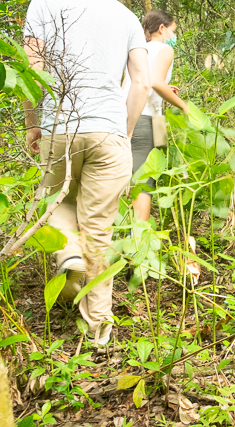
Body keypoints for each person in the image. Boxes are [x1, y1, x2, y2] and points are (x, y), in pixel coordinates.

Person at [23, 0, 150, 344]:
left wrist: (33, 123)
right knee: (99, 228)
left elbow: (31, 69)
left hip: (58, 127)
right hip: (108, 131)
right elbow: (141, 83)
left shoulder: (43, 5)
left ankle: (69, 255)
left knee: (55, 203)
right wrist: (124, 131)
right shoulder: (125, 16)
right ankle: (98, 328)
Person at [123, 10, 189, 222]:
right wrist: (184, 106)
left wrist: (166, 90)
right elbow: (155, 82)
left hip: (126, 116)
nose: (174, 36)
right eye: (173, 30)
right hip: (144, 119)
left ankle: (126, 233)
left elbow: (141, 81)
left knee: (130, 177)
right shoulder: (164, 49)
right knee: (144, 182)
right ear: (162, 28)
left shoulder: (138, 50)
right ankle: (138, 240)